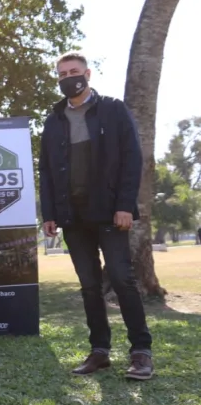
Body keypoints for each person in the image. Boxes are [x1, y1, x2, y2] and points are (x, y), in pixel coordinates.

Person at [40, 51, 153, 380]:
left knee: (121, 278)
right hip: (72, 216)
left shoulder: (113, 110)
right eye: (62, 74)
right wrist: (49, 213)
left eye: (73, 71)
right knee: (89, 286)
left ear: (87, 74)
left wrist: (125, 205)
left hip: (109, 212)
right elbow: (46, 170)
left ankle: (141, 352)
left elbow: (132, 159)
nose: (68, 78)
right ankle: (99, 351)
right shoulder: (54, 120)